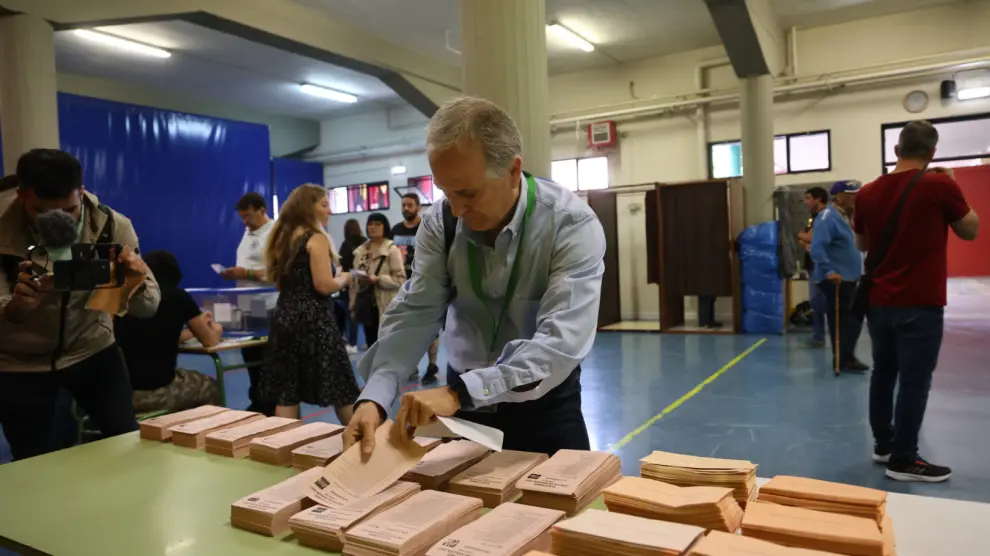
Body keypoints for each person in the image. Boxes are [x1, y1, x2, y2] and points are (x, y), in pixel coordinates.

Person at [342, 96, 605, 458]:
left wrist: (461, 393)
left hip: (541, 400)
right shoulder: (441, 222)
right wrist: (375, 396)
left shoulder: (570, 224)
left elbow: (560, 342)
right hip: (460, 404)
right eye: (445, 192)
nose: (456, 208)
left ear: (513, 171)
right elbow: (416, 313)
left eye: (467, 193)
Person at [0, 149, 160, 460]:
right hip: (18, 362)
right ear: (21, 196)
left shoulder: (111, 225)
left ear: (82, 192)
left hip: (92, 348)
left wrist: (136, 282)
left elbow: (148, 308)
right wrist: (16, 308)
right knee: (32, 460)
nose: (59, 222)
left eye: (70, 210)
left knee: (127, 442)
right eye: (42, 212)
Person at [855, 120, 980, 482]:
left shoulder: (866, 192)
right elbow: (970, 230)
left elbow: (863, 244)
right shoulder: (939, 185)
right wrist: (954, 185)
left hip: (878, 302)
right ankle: (904, 459)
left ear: (896, 150)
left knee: (883, 373)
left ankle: (884, 444)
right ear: (932, 152)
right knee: (915, 380)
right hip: (920, 303)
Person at [261, 184, 359, 423]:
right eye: (324, 205)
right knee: (341, 386)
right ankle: (361, 438)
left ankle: (283, 442)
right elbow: (323, 285)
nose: (329, 211)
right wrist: (344, 279)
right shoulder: (316, 238)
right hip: (314, 320)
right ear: (308, 207)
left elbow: (279, 283)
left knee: (287, 392)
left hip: (285, 317)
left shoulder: (282, 239)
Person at [116, 251, 222, 412]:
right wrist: (215, 329)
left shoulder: (126, 298)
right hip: (156, 391)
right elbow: (210, 341)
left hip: (119, 394)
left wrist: (191, 333)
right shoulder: (178, 297)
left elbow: (155, 337)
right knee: (210, 386)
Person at [220, 192, 276, 416]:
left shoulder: (276, 233)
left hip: (269, 303)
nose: (245, 221)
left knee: (267, 358)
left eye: (249, 216)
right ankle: (258, 401)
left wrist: (247, 273)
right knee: (250, 356)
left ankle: (271, 405)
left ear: (262, 211)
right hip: (248, 303)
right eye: (242, 217)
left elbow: (278, 272)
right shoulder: (248, 232)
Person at [810, 181, 868, 373]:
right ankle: (843, 360)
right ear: (839, 197)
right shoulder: (827, 217)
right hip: (836, 279)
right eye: (852, 194)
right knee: (842, 321)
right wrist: (830, 271)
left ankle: (847, 356)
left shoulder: (846, 217)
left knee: (851, 319)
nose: (856, 198)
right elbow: (817, 249)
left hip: (849, 277)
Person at [392, 193, 440, 384]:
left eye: (410, 205)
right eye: (403, 205)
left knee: (429, 328)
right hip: (402, 285)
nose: (406, 208)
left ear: (418, 207)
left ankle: (432, 365)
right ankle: (411, 366)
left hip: (425, 284)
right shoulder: (395, 230)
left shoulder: (427, 227)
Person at [349, 213, 406, 348]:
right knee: (371, 345)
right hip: (366, 304)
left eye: (377, 224)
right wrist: (352, 306)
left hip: (386, 305)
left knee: (388, 346)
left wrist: (379, 280)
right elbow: (354, 283)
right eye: (370, 224)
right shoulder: (360, 252)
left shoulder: (392, 250)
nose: (373, 227)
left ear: (384, 226)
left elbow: (400, 280)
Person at [798, 187, 829, 348]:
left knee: (820, 301)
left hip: (822, 265)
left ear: (818, 199)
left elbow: (810, 237)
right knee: (816, 302)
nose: (805, 202)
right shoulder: (813, 218)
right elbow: (805, 239)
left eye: (808, 198)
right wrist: (805, 239)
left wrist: (802, 236)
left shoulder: (826, 217)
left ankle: (821, 337)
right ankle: (818, 336)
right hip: (812, 265)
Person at [338, 218, 365, 353]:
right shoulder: (366, 242)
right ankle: (366, 341)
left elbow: (341, 264)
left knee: (351, 314)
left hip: (349, 283)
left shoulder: (345, 244)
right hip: (364, 281)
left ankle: (352, 343)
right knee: (366, 313)